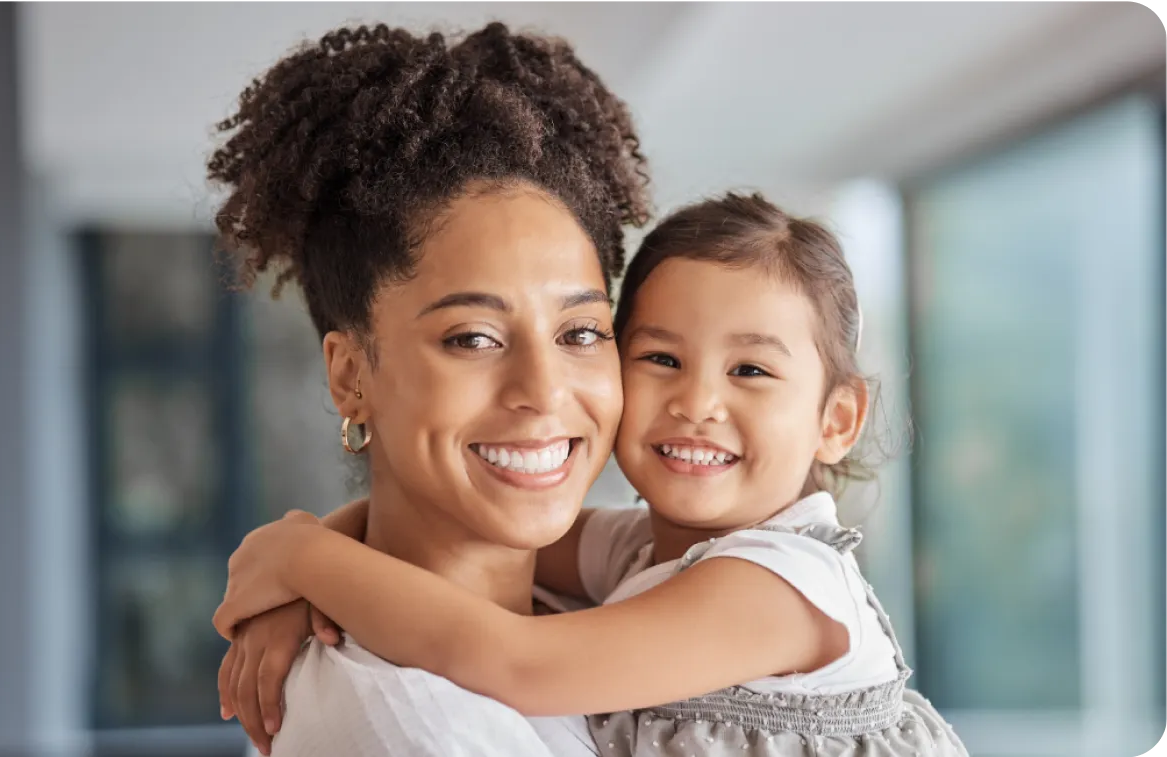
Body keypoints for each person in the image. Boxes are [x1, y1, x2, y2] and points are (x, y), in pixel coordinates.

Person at [216, 192, 971, 756]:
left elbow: (515, 663)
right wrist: (301, 561)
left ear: (835, 419)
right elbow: (456, 531)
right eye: (661, 359)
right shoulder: (640, 550)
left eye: (749, 369)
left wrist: (302, 559)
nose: (697, 402)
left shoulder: (780, 588)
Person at [206, 21, 650, 756]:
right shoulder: (418, 727)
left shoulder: (611, 598)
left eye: (578, 332)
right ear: (351, 374)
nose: (543, 391)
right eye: (472, 337)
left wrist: (311, 555)